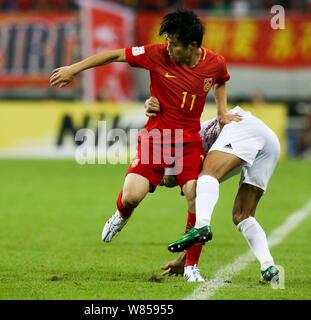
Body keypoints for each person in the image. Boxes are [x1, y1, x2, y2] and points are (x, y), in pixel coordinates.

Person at [50, 9, 240, 281]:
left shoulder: (214, 63)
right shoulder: (156, 55)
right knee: (132, 196)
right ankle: (120, 214)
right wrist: (73, 69)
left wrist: (221, 111)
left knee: (196, 194)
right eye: (168, 42)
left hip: (188, 142)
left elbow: (221, 80)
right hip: (156, 138)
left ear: (193, 46)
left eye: (174, 44)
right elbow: (115, 54)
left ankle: (191, 266)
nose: (168, 48)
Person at [161, 99, 280, 282]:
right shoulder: (182, 169)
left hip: (241, 125)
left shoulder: (184, 152)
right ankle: (268, 265)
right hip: (269, 142)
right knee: (242, 215)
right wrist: (183, 259)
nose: (162, 183)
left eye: (161, 179)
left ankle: (202, 226)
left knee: (206, 176)